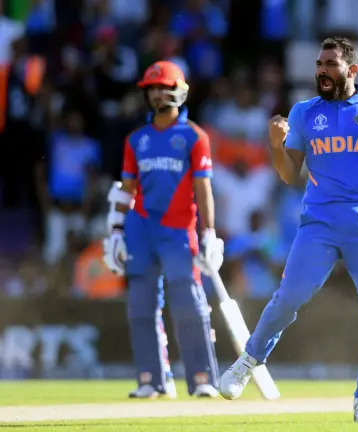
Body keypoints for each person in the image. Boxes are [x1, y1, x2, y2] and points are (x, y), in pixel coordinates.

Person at [220, 37, 358, 423]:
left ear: (352, 70)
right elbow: (290, 175)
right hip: (319, 224)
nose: (322, 70)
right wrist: (276, 146)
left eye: (330, 64)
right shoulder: (304, 112)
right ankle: (249, 360)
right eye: (319, 64)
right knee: (289, 297)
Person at [102, 61, 225, 398]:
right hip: (140, 229)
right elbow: (126, 189)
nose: (157, 93)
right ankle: (152, 379)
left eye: (164, 87)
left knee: (188, 303)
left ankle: (202, 379)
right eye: (152, 89)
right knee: (140, 306)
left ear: (179, 91)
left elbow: (204, 190)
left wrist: (209, 232)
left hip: (177, 229)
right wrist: (115, 231)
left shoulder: (194, 137)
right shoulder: (136, 139)